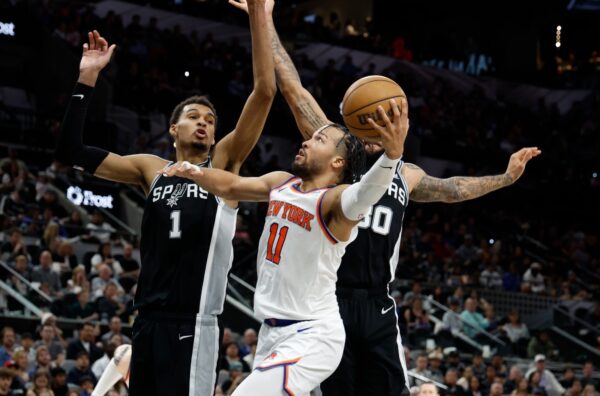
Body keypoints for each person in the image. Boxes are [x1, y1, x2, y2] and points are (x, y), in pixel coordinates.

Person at [229, 1, 541, 394]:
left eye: (389, 114)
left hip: (378, 304)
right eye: (374, 115)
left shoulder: (406, 174)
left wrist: (506, 177)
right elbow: (292, 88)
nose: (381, 119)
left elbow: (453, 189)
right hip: (330, 301)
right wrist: (266, 19)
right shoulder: (339, 152)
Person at [55, 0, 276, 391]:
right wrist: (86, 79)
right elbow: (71, 152)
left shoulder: (223, 166)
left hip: (194, 322)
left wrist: (260, 16)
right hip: (147, 322)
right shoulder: (149, 169)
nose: (203, 124)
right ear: (173, 129)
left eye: (210, 120)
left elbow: (264, 92)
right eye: (194, 117)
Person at [161, 79, 406, 395]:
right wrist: (194, 171)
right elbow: (232, 186)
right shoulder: (281, 183)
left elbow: (365, 194)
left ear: (338, 162)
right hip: (271, 333)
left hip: (312, 335)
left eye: (319, 140)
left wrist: (391, 156)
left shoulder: (335, 202)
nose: (306, 142)